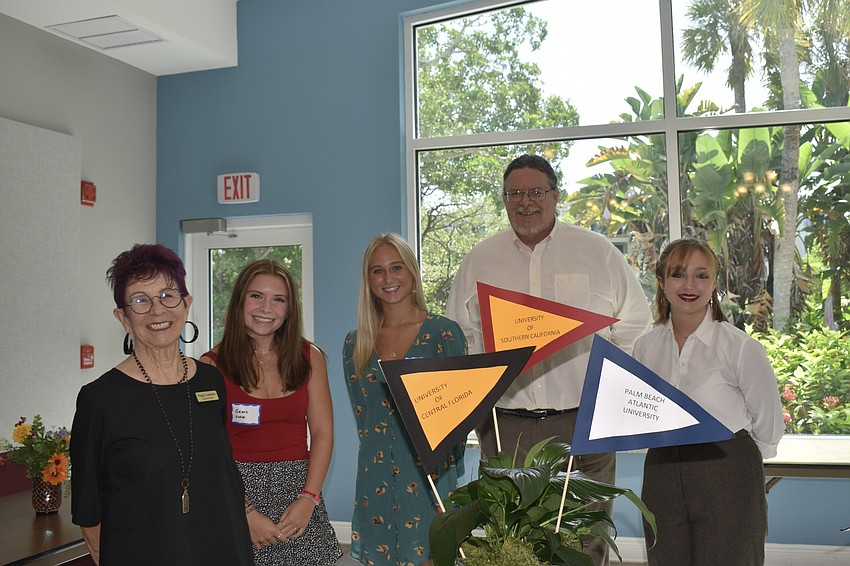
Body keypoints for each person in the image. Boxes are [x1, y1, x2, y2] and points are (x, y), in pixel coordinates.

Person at [445, 154, 651, 566]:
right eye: (515, 193)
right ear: (504, 200)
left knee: (585, 542)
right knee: (513, 543)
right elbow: (460, 335)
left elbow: (636, 326)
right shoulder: (479, 260)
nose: (526, 202)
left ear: (556, 196)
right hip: (505, 428)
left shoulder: (598, 253)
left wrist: (607, 392)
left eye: (536, 192)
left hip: (582, 424)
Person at [70, 244, 253, 566]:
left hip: (223, 546)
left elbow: (222, 476)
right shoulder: (100, 399)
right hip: (143, 551)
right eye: (140, 300)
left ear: (186, 304)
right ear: (123, 318)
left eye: (168, 295)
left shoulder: (211, 381)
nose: (157, 311)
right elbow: (88, 506)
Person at [633, 237, 784, 565]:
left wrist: (735, 466)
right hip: (662, 472)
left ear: (715, 282)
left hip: (727, 471)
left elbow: (769, 424)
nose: (690, 285)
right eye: (678, 274)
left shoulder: (740, 348)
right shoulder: (645, 348)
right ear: (661, 282)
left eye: (701, 275)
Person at [200, 259, 342, 566]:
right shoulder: (210, 366)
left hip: (299, 493)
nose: (266, 308)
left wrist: (309, 499)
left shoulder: (310, 357)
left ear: (290, 309)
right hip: (235, 492)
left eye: (279, 299)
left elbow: (323, 433)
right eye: (256, 296)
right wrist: (245, 511)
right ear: (239, 300)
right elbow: (207, 450)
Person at [343, 233, 468, 566]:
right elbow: (363, 418)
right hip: (375, 476)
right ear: (368, 280)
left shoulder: (444, 333)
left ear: (412, 272)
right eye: (377, 271)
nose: (388, 279)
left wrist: (448, 483)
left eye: (396, 267)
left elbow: (459, 420)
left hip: (429, 478)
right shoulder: (356, 343)